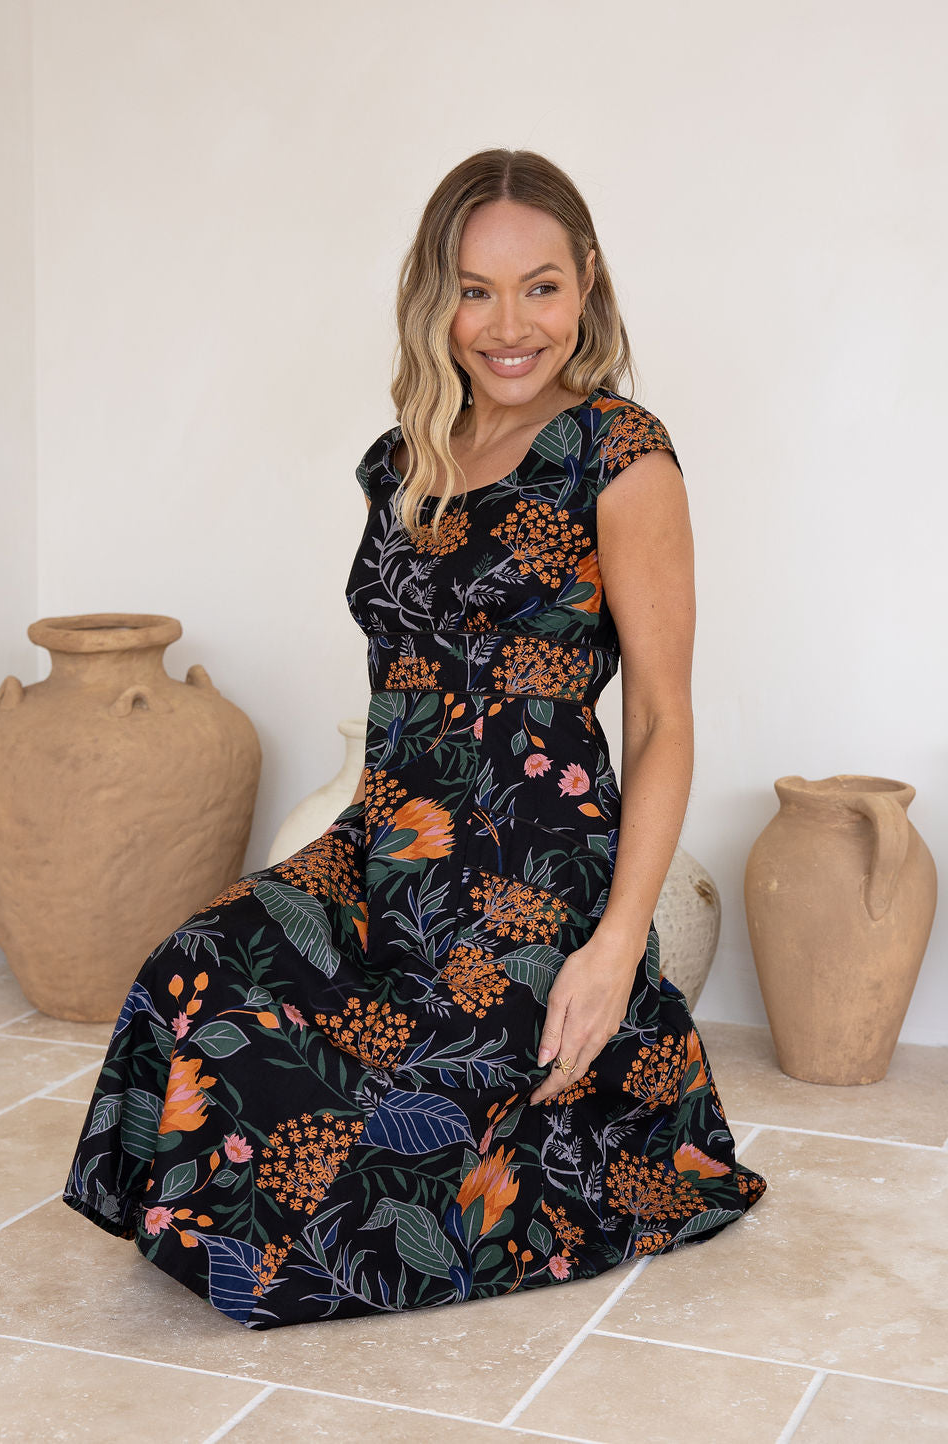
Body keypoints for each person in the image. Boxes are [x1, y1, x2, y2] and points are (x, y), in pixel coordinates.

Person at [63, 147, 768, 1330]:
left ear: (586, 283)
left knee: (350, 1110)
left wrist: (613, 945)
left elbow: (663, 717)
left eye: (539, 286)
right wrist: (344, 869)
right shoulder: (404, 460)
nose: (508, 325)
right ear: (431, 298)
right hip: (379, 851)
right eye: (474, 290)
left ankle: (612, 1140)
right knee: (196, 971)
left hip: (527, 879)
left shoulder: (620, 454)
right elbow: (404, 692)